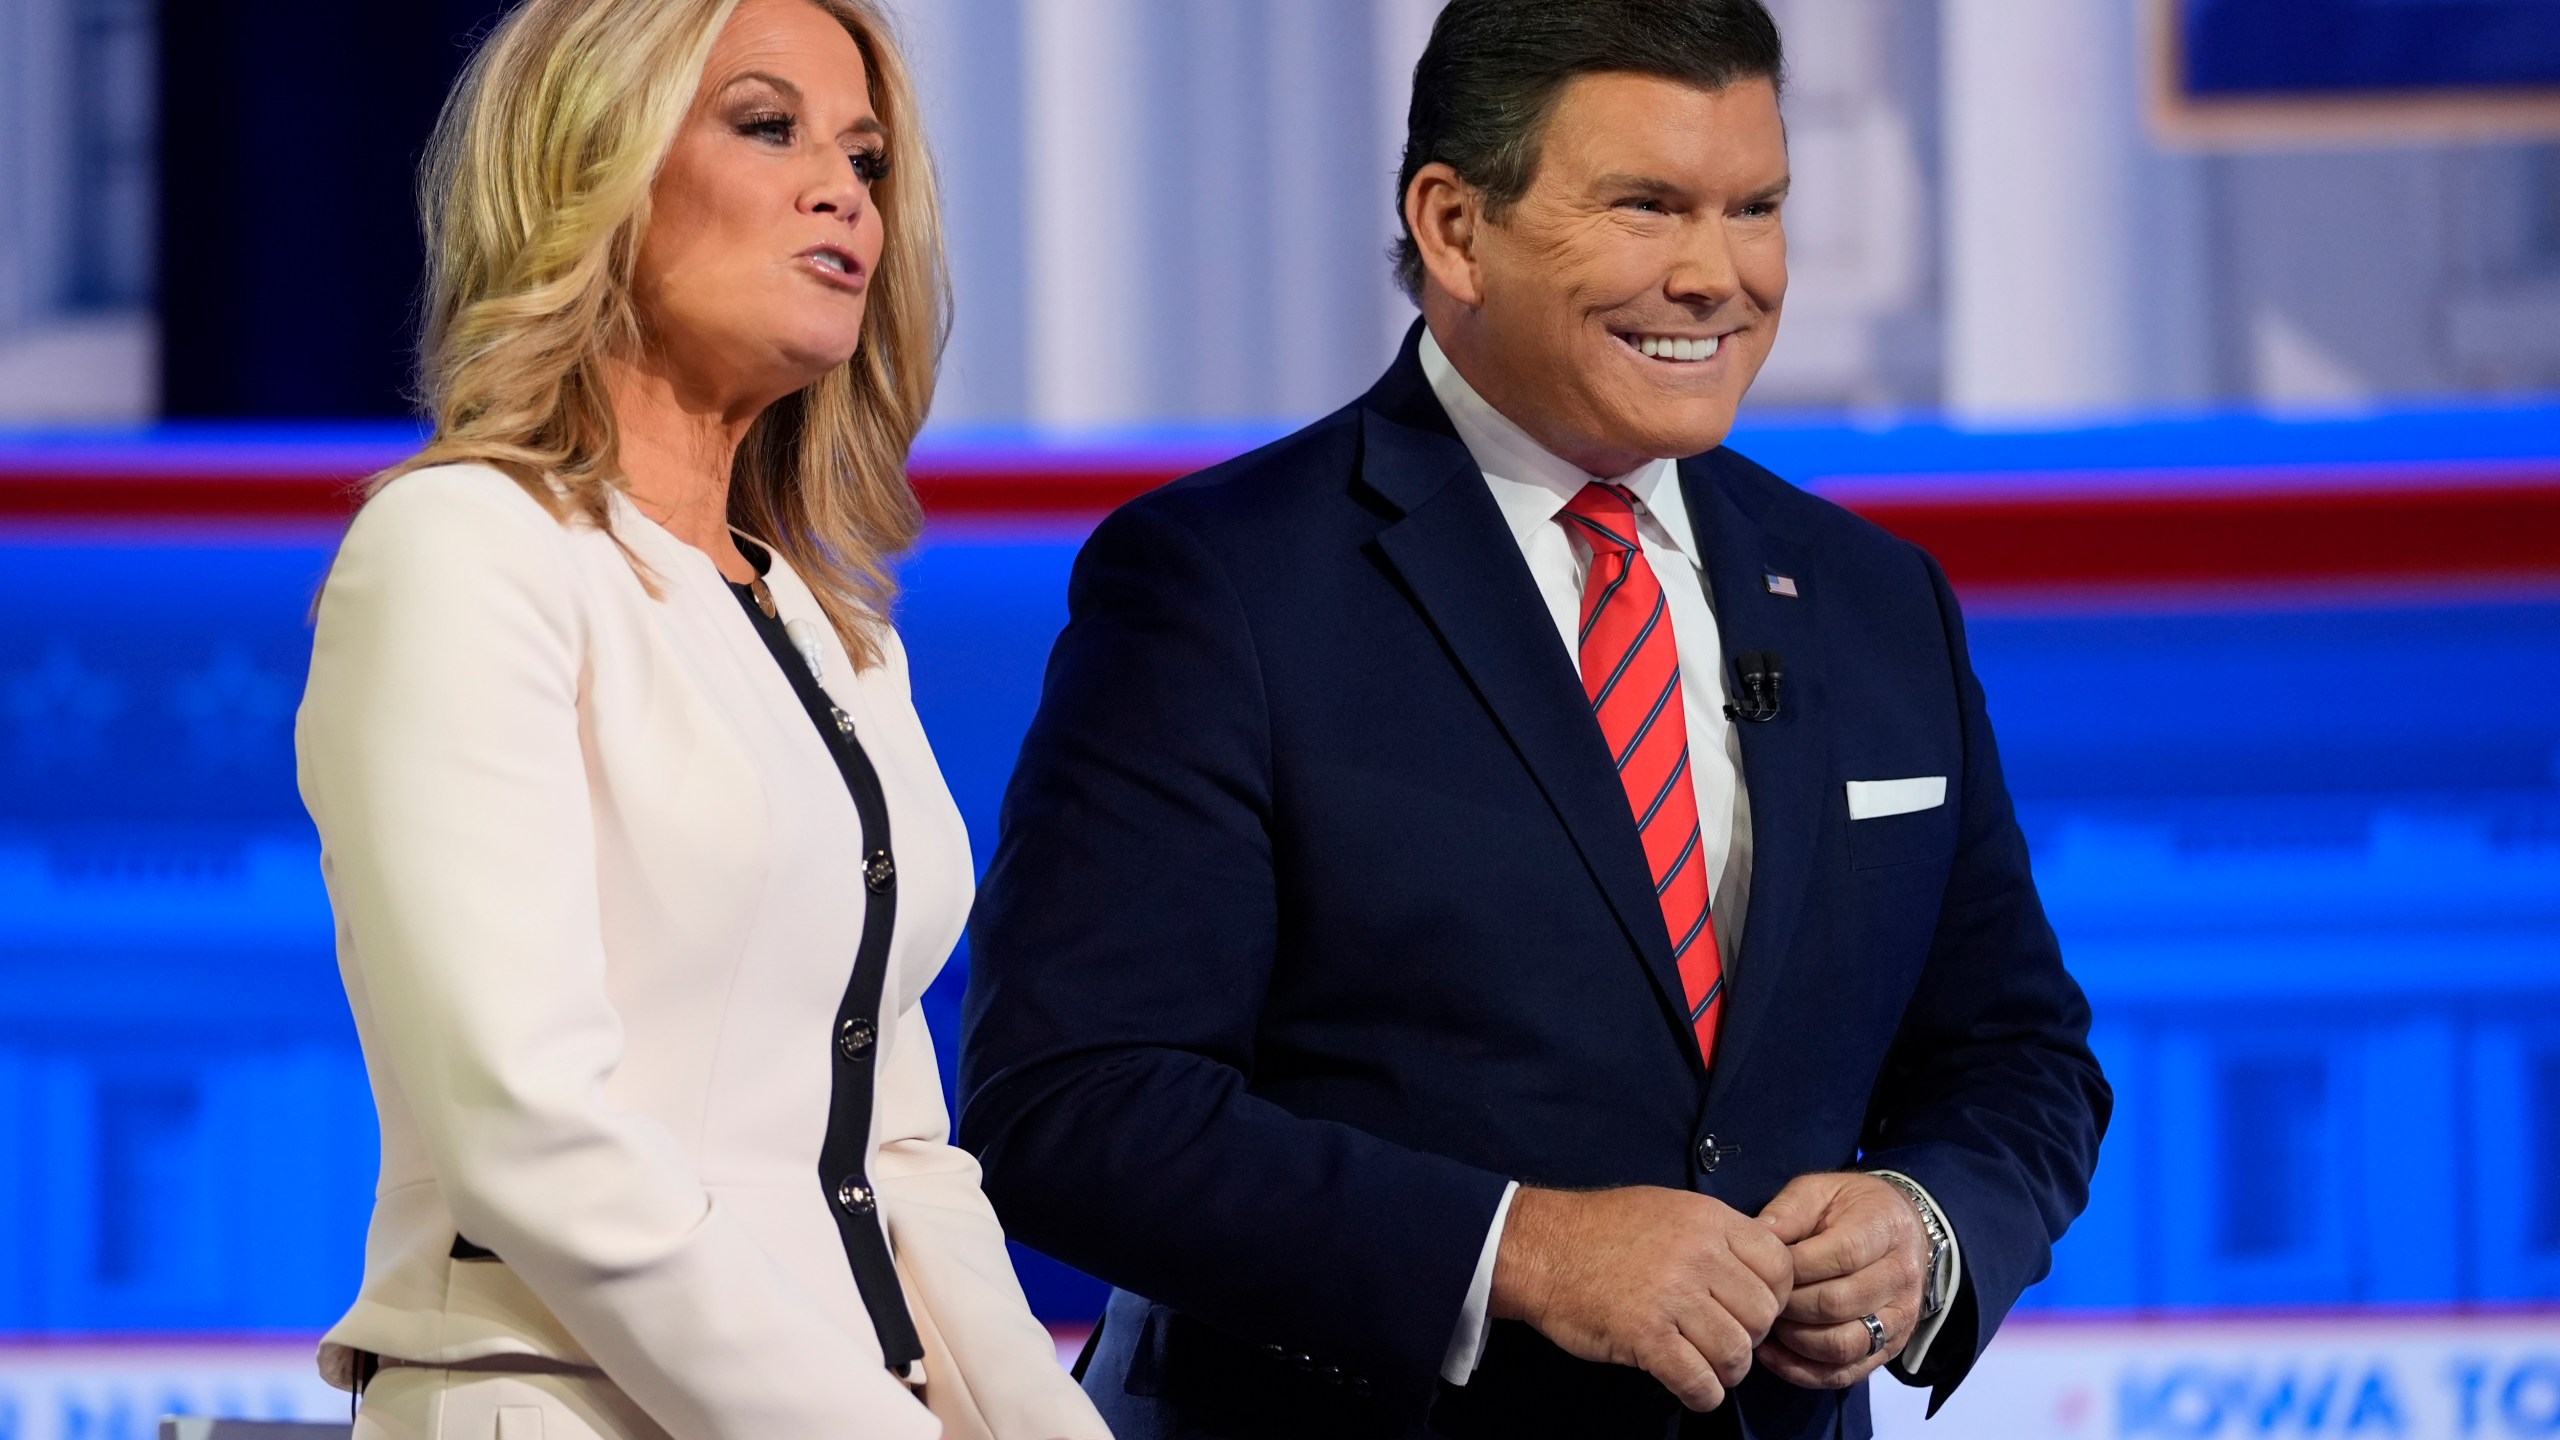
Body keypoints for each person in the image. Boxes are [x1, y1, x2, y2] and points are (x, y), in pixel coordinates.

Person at [957, 2, 2110, 1437]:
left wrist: (1926, 1231)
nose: (1718, 275)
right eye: (1647, 206)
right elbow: (1075, 1109)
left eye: (1756, 207)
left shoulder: (1878, 603)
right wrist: (1517, 1250)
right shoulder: (1221, 584)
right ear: (1453, 226)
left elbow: (2020, 1057)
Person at [295, 1, 1109, 1436]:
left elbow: (899, 1151)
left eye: (865, 159)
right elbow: (529, 1127)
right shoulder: (465, 552)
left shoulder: (828, 625)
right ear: (590, 164)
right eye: (766, 126)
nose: (841, 192)